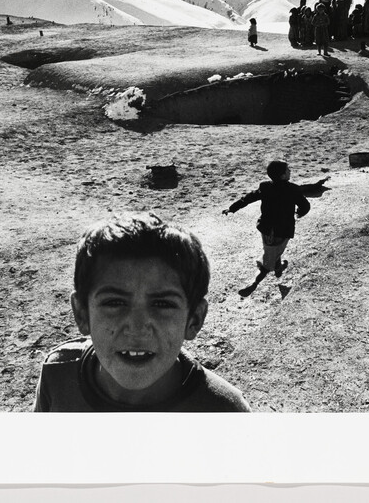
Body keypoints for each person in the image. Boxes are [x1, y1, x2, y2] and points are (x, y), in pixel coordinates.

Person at [34, 212, 251, 412]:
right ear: (82, 314)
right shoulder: (58, 374)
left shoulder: (224, 411)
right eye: (115, 302)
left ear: (194, 320)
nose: (137, 328)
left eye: (162, 304)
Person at [223, 161, 311, 296]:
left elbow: (247, 198)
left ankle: (278, 267)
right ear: (282, 175)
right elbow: (305, 206)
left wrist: (232, 208)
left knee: (272, 250)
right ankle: (253, 283)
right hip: (282, 231)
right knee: (267, 262)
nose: (290, 171)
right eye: (288, 170)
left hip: (266, 229)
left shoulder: (265, 187)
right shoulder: (293, 189)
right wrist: (299, 212)